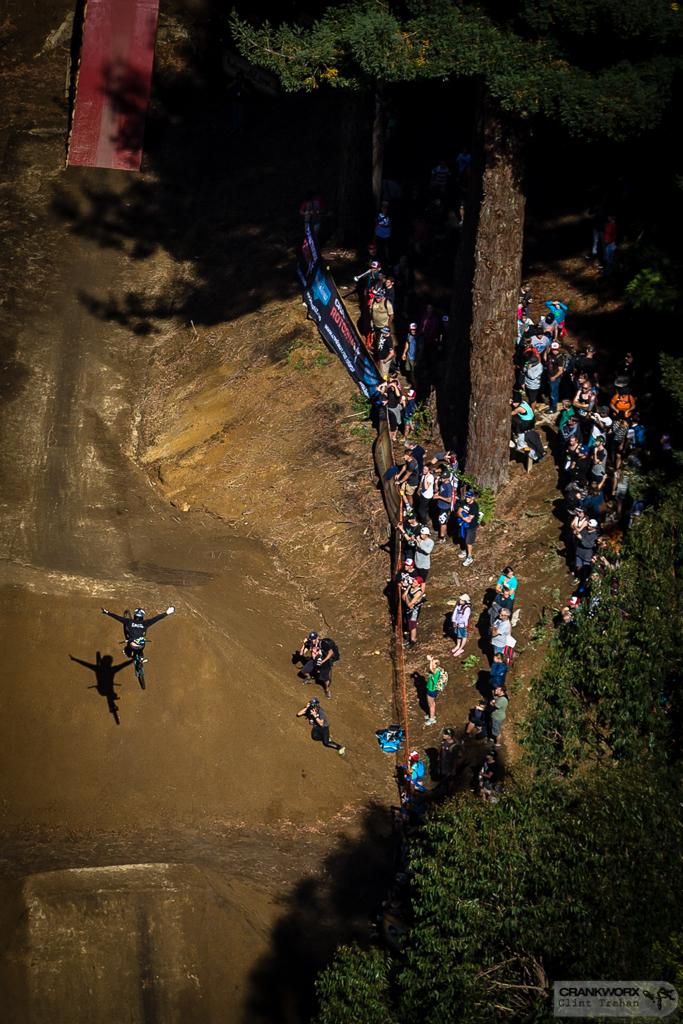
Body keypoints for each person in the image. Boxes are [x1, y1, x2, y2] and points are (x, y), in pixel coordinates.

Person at [101, 605, 175, 658]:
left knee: (128, 646)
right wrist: (167, 612)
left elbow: (117, 617)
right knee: (141, 645)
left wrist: (107, 612)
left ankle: (128, 653)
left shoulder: (129, 621)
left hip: (132, 646)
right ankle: (141, 656)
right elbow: (156, 618)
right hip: (141, 646)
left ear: (135, 616)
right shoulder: (145, 623)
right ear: (142, 616)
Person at [298, 632, 340, 698]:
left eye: (314, 639)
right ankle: (309, 678)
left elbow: (330, 653)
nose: (312, 640)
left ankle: (327, 690)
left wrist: (323, 662)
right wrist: (304, 644)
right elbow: (301, 654)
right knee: (303, 671)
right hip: (314, 661)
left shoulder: (323, 644)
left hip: (325, 662)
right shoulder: (310, 643)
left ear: (317, 638)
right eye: (311, 639)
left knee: (324, 679)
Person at [455, 489, 479, 566]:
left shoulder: (474, 507)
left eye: (469, 497)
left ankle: (470, 557)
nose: (467, 499)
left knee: (468, 542)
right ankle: (465, 551)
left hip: (471, 527)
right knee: (463, 538)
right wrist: (463, 516)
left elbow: (469, 520)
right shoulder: (464, 502)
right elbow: (458, 512)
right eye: (466, 497)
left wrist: (463, 516)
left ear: (473, 498)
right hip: (463, 524)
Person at [403, 575, 426, 648]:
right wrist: (406, 598)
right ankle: (409, 636)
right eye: (413, 581)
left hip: (414, 611)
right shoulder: (411, 586)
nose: (412, 583)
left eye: (414, 582)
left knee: (412, 625)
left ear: (418, 584)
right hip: (408, 609)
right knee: (408, 622)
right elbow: (403, 596)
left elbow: (410, 604)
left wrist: (406, 597)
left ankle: (413, 640)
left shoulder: (418, 592)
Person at [424, 653, 447, 726]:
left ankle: (432, 719)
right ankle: (432, 715)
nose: (432, 665)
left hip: (432, 690)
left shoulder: (435, 672)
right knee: (432, 703)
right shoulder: (438, 669)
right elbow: (431, 668)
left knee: (431, 705)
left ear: (435, 665)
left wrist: (430, 660)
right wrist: (432, 660)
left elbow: (431, 668)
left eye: (433, 664)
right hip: (433, 689)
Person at [434, 469, 454, 543]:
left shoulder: (449, 487)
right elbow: (438, 490)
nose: (441, 479)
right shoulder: (443, 483)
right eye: (441, 477)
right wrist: (436, 484)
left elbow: (449, 500)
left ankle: (442, 538)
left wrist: (439, 497)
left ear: (447, 478)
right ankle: (441, 534)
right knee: (440, 521)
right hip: (440, 506)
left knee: (443, 522)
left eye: (443, 478)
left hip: (445, 507)